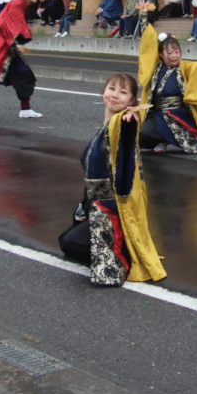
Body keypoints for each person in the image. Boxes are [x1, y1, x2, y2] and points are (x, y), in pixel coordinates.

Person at [57, 72, 166, 287]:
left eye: (123, 92)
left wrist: (128, 125)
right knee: (66, 239)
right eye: (112, 88)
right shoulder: (107, 126)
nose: (115, 95)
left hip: (111, 207)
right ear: (103, 91)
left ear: (131, 101)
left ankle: (123, 251)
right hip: (94, 203)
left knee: (71, 243)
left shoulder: (122, 124)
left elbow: (125, 153)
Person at [137, 29, 197, 153]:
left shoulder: (184, 66)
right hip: (158, 113)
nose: (174, 56)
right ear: (160, 54)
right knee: (142, 132)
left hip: (179, 114)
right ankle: (161, 140)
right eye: (169, 53)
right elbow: (145, 55)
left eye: (177, 52)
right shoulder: (154, 69)